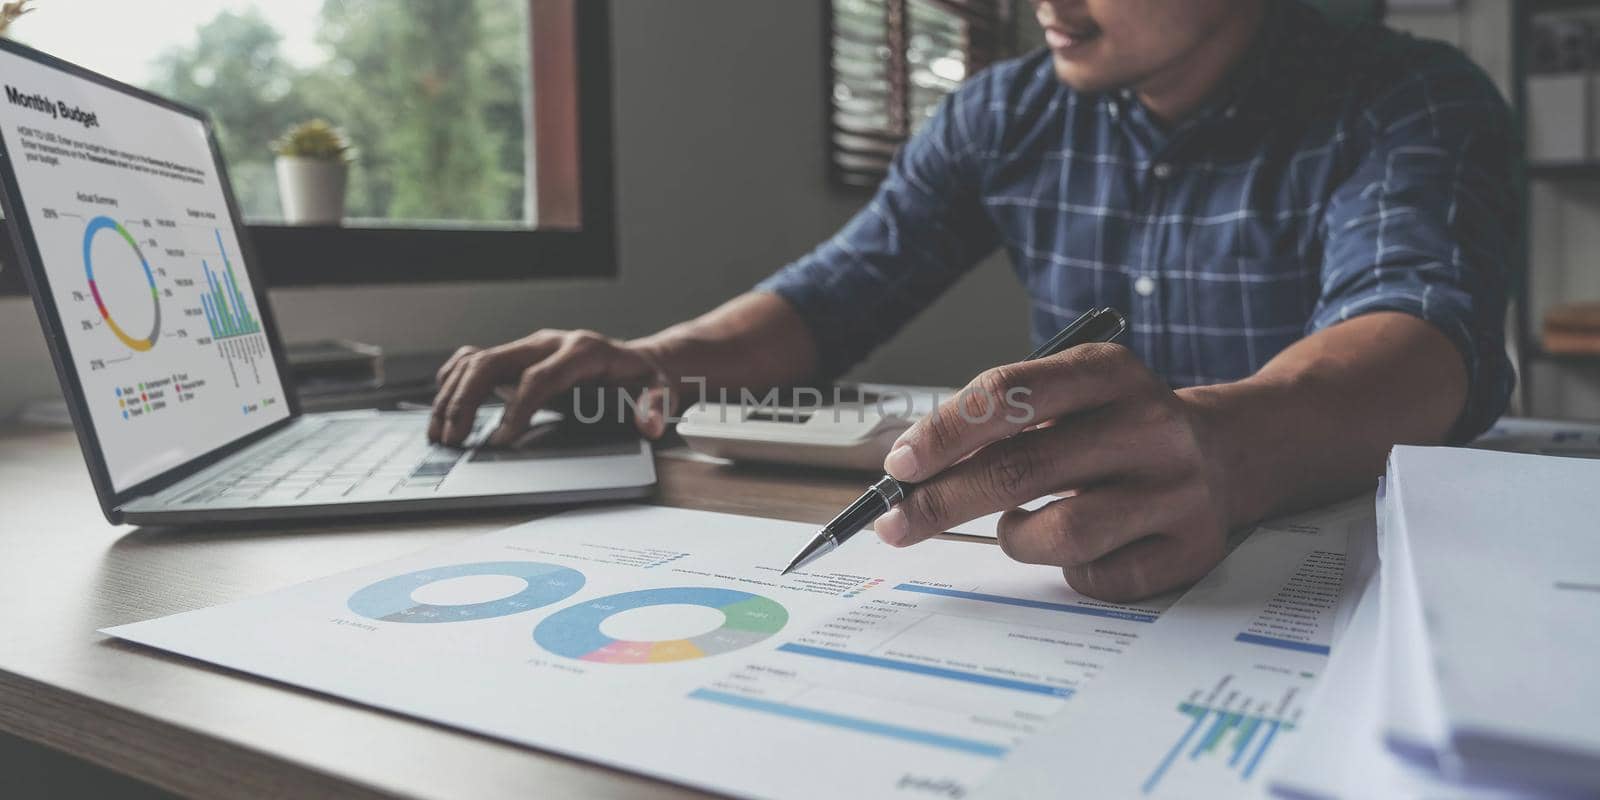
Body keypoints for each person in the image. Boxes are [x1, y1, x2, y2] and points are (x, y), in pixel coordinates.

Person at [429, 0, 1515, 602]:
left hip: (1361, 590)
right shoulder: (999, 113)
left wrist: (1222, 443)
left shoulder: (1410, 96)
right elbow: (831, 296)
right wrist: (655, 359)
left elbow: (1417, 333)